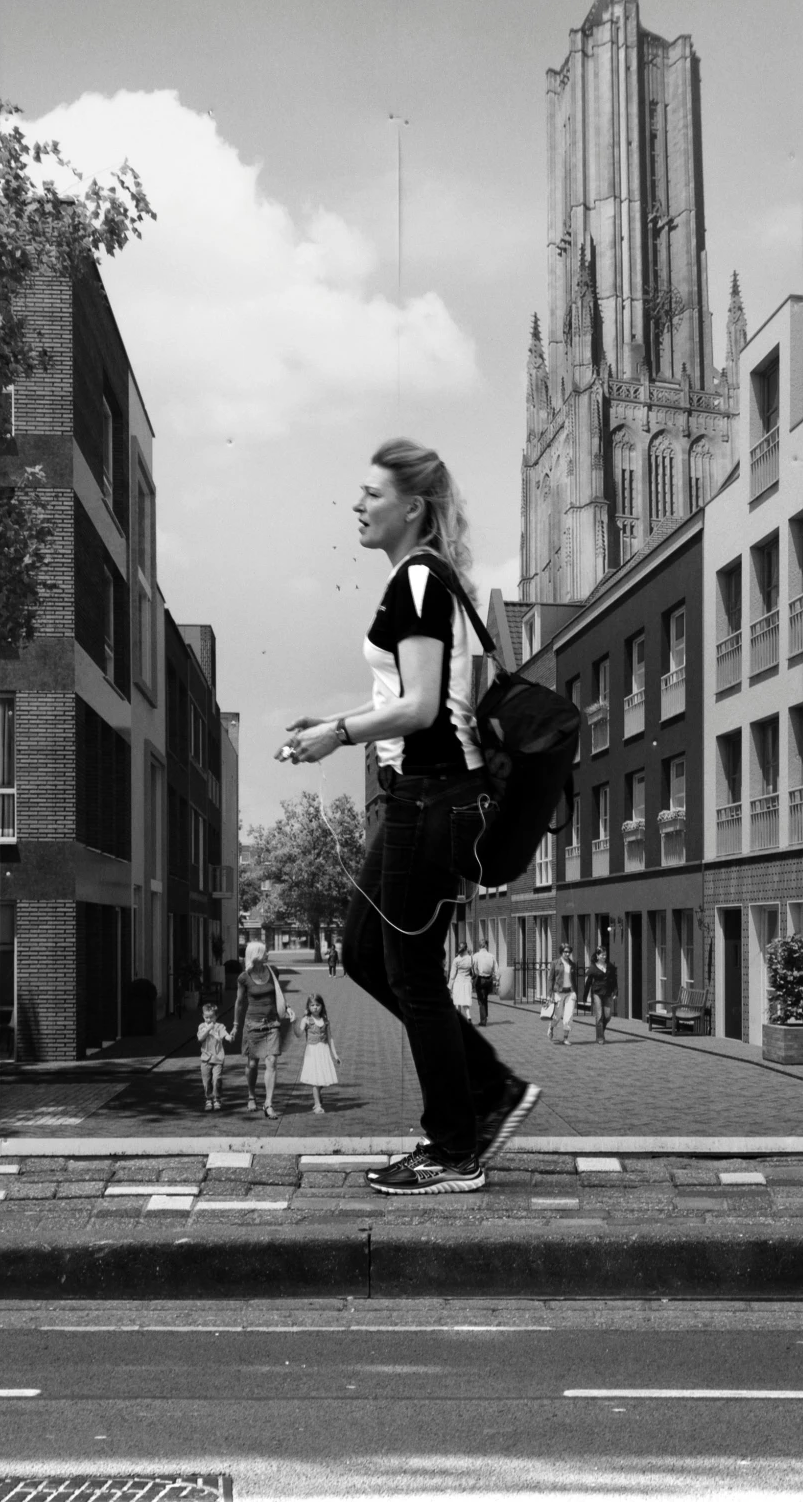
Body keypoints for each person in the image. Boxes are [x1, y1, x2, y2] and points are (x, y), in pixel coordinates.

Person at [275, 438, 539, 1197]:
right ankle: (485, 1088)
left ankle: (455, 1147)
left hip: (432, 798)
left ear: (412, 507)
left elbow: (423, 708)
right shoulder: (418, 580)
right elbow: (409, 699)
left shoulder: (419, 579)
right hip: (413, 798)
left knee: (412, 975)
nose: (356, 506)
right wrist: (337, 717)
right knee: (365, 952)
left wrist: (339, 735)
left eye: (371, 494)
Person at [231, 940, 293, 1119]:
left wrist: (287, 1008)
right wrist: (235, 1026)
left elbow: (278, 994)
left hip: (272, 1023)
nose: (268, 954)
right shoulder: (244, 977)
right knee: (252, 1064)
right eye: (265, 952)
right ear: (256, 955)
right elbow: (239, 1002)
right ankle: (251, 1095)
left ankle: (269, 1103)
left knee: (272, 1061)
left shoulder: (273, 972)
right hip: (253, 1024)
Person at [297, 993, 339, 1114]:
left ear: (322, 1006)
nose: (315, 1007)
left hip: (324, 1050)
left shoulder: (325, 1020)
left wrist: (335, 1055)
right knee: (316, 1079)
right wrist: (295, 1021)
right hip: (313, 1051)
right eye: (312, 1005)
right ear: (308, 1007)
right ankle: (317, 1104)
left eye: (317, 1005)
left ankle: (318, 1095)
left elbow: (330, 1037)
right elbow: (299, 1033)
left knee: (324, 1078)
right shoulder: (306, 1020)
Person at [195, 1002, 234, 1111]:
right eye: (206, 1017)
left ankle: (217, 1098)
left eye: (211, 1017)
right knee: (206, 1081)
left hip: (217, 1058)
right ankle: (208, 1099)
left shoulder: (219, 1026)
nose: (209, 1020)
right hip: (205, 1059)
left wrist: (229, 1037)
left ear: (216, 1016)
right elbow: (200, 1038)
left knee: (217, 1079)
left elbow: (224, 1034)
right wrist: (208, 1029)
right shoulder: (202, 1026)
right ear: (203, 1016)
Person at [548, 942, 579, 1046]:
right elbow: (550, 979)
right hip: (558, 992)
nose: (567, 954)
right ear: (561, 952)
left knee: (568, 1016)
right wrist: (549, 994)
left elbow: (574, 980)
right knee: (557, 1016)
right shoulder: (555, 963)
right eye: (565, 951)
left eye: (569, 952)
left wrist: (575, 992)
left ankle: (565, 1038)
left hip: (570, 992)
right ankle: (551, 1027)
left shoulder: (572, 964)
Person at [588, 944, 618, 1045]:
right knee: (599, 1015)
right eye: (602, 955)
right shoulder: (593, 967)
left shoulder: (610, 966)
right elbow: (588, 981)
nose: (604, 957)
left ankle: (600, 1030)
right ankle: (600, 1037)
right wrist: (585, 995)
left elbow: (614, 980)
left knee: (608, 1015)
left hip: (608, 992)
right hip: (597, 993)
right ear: (597, 955)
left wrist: (615, 991)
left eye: (605, 955)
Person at [470, 942, 496, 1025]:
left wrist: (474, 975)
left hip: (481, 979)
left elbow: (473, 967)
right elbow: (496, 968)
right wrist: (497, 979)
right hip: (489, 979)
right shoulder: (491, 955)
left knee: (481, 1000)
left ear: (479, 946)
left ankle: (483, 1020)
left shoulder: (476, 955)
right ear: (486, 946)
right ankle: (485, 1015)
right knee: (485, 998)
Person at [449, 949, 476, 1021]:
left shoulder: (456, 960)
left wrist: (449, 986)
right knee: (465, 1000)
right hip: (467, 981)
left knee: (457, 1000)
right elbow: (474, 970)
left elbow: (452, 975)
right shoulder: (471, 958)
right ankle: (468, 1015)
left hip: (458, 981)